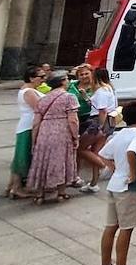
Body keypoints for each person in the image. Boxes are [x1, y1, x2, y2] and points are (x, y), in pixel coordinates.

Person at [94, 101, 136, 265]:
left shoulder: (118, 134)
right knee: (127, 228)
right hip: (128, 188)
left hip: (114, 185)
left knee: (111, 226)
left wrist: (114, 168)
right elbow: (132, 152)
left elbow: (102, 154)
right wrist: (132, 174)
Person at [27, 72, 80, 203]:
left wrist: (34, 140)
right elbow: (73, 120)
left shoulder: (43, 99)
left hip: (44, 132)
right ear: (62, 81)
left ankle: (40, 194)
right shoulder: (69, 97)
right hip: (62, 131)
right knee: (62, 159)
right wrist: (76, 136)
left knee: (42, 161)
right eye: (67, 79)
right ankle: (61, 193)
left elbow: (36, 123)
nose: (68, 82)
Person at [6, 66, 45, 199]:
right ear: (32, 78)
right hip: (28, 126)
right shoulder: (28, 91)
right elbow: (39, 108)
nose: (43, 80)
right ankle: (16, 187)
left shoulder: (31, 90)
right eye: (41, 77)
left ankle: (12, 186)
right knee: (23, 156)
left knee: (21, 156)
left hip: (29, 125)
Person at [81, 67, 117, 193]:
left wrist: (100, 127)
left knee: (81, 148)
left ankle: (106, 166)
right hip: (107, 122)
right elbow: (97, 105)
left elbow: (102, 111)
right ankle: (94, 182)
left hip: (98, 123)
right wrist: (86, 97)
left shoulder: (101, 91)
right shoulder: (109, 89)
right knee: (95, 151)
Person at [70, 64, 99, 189]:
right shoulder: (72, 85)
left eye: (86, 73)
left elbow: (97, 105)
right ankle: (75, 175)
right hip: (74, 117)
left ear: (91, 74)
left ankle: (101, 168)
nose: (84, 76)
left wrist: (85, 97)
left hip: (89, 119)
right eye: (81, 74)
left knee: (81, 148)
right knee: (74, 148)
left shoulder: (96, 87)